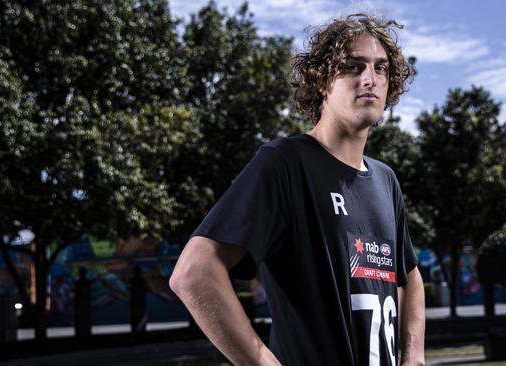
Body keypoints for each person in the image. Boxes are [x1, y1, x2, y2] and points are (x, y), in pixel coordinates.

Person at [170, 13, 425, 366]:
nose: (370, 79)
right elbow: (194, 273)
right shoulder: (285, 162)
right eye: (353, 66)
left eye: (381, 68)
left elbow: (409, 276)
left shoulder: (386, 180)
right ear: (321, 81)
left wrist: (415, 356)